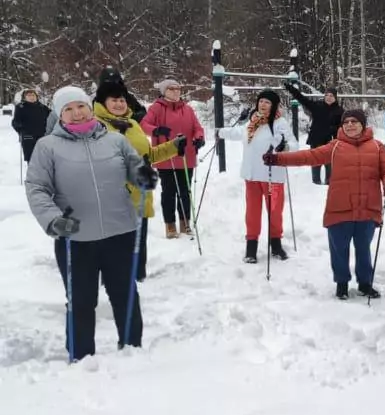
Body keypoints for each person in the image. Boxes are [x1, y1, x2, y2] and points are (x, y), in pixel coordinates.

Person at [25, 86, 159, 360]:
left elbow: (134, 168)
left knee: (126, 296)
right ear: (60, 115)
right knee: (82, 302)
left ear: (90, 107)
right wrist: (54, 220)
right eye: (68, 109)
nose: (77, 113)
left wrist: (143, 175)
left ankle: (133, 353)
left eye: (81, 106)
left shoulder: (114, 141)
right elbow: (37, 188)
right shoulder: (47, 146)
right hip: (75, 238)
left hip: (119, 231)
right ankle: (81, 359)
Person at [265, 108, 385, 300]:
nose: (350, 125)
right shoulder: (335, 146)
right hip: (339, 208)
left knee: (364, 249)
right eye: (346, 122)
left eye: (354, 122)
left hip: (367, 208)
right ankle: (341, 284)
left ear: (363, 124)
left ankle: (365, 284)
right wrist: (278, 159)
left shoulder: (377, 147)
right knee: (339, 249)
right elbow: (308, 157)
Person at [93, 82, 184, 282]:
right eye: (114, 100)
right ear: (103, 103)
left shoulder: (133, 124)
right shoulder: (97, 126)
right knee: (116, 246)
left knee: (138, 243)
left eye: (122, 100)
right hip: (114, 198)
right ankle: (116, 285)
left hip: (140, 194)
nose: (119, 104)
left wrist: (174, 146)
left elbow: (148, 155)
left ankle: (140, 280)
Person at [217, 89, 298, 263]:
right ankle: (251, 247)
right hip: (252, 175)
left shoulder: (280, 122)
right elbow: (238, 133)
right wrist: (220, 132)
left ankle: (276, 244)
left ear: (274, 105)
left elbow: (293, 144)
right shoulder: (252, 122)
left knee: (275, 212)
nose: (262, 104)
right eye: (261, 101)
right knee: (252, 213)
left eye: (267, 102)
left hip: (272, 176)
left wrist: (284, 147)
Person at [141, 78, 205, 238]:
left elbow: (197, 127)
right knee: (169, 192)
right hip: (166, 157)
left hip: (187, 156)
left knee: (185, 191)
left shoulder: (188, 109)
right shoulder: (156, 108)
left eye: (178, 88)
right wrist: (156, 130)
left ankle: (185, 223)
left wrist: (199, 137)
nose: (176, 91)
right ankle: (170, 225)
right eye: (172, 88)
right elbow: (143, 125)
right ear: (164, 91)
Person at [283, 80, 344, 185]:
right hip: (316, 139)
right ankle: (315, 182)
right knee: (315, 162)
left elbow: (341, 127)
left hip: (330, 141)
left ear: (335, 98)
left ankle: (328, 183)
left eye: (331, 96)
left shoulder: (339, 111)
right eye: (327, 95)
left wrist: (336, 137)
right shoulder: (317, 106)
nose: (329, 97)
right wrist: (291, 88)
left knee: (329, 163)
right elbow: (302, 99)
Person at [12, 88, 51, 163]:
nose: (31, 97)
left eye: (33, 95)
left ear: (36, 96)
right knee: (31, 159)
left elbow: (52, 118)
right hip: (28, 137)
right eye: (29, 95)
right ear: (25, 97)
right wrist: (21, 130)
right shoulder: (21, 107)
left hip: (43, 136)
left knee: (44, 159)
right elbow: (15, 122)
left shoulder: (43, 107)